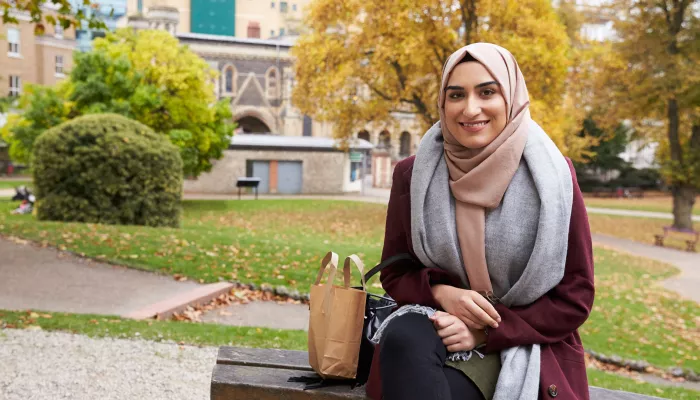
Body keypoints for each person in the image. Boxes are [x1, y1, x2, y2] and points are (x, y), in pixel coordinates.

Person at [364, 43, 595, 400]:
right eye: (456, 95)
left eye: (487, 92)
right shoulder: (413, 174)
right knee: (404, 337)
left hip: (524, 340)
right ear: (443, 102)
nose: (470, 108)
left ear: (512, 96)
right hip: (437, 323)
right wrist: (443, 294)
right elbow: (396, 271)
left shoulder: (554, 177)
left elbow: (575, 296)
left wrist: (486, 332)